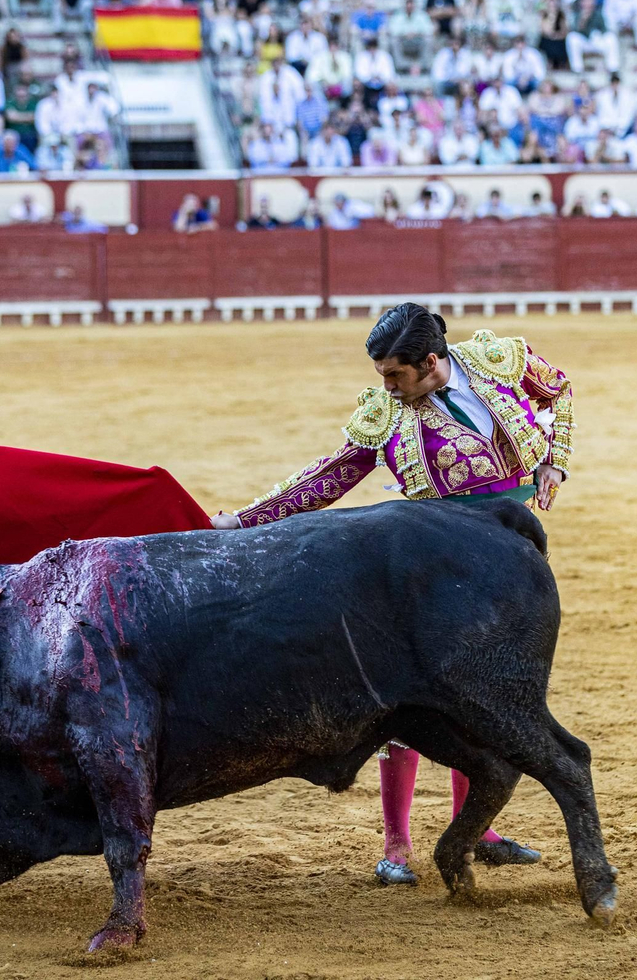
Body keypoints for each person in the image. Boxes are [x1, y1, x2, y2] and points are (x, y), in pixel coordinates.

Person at [208, 304, 573, 885]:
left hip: (507, 557)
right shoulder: (388, 415)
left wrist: (556, 462)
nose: (386, 387)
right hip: (427, 567)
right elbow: (330, 476)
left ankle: (476, 826)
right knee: (408, 698)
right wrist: (250, 520)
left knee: (481, 695)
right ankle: (396, 843)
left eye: (394, 375)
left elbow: (560, 391)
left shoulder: (497, 361)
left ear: (432, 362)